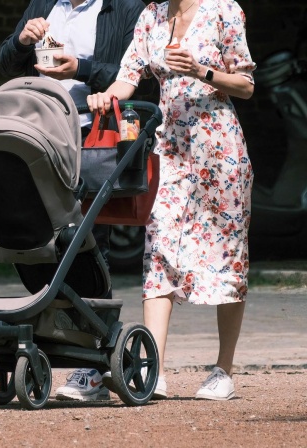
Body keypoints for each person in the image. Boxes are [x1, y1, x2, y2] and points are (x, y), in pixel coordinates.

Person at [87, 0, 256, 400]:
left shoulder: (223, 10)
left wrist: (202, 71)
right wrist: (104, 97)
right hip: (169, 151)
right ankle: (154, 369)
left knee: (227, 254)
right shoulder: (151, 17)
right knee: (159, 247)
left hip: (220, 151)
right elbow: (127, 79)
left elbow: (246, 84)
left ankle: (223, 370)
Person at [0, 0, 153, 402]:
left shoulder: (124, 9)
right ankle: (48, 338)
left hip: (91, 134)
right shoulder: (45, 5)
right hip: (38, 134)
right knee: (38, 238)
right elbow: (5, 62)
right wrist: (20, 40)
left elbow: (140, 77)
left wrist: (80, 69)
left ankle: (91, 366)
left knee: (86, 242)